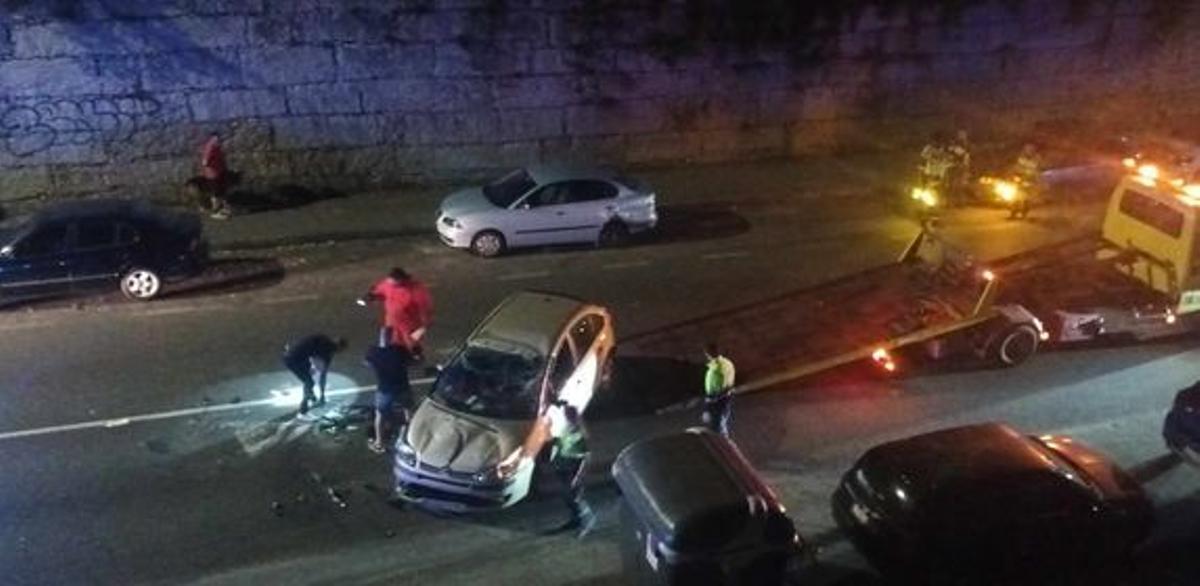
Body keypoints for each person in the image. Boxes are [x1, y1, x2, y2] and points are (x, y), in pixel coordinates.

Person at [543, 400, 595, 539]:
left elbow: (586, 456)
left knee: (576, 497)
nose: (564, 415)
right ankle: (575, 520)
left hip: (574, 466)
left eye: (567, 413)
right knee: (567, 496)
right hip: (563, 465)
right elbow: (556, 446)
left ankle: (588, 521)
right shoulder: (563, 429)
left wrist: (579, 474)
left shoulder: (580, 433)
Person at [358, 267, 434, 360]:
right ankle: (393, 357)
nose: (390, 283)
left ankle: (415, 356)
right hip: (391, 321)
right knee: (389, 340)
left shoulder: (417, 290)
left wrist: (425, 323)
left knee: (411, 342)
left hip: (409, 323)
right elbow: (380, 291)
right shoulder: (388, 284)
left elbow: (425, 307)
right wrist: (372, 296)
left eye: (393, 282)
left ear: (401, 279)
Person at [365, 341, 413, 454]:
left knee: (380, 415)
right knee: (408, 412)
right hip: (402, 387)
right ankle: (406, 439)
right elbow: (413, 362)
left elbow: (367, 363)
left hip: (384, 390)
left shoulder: (373, 351)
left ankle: (379, 443)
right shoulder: (399, 350)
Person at [282, 334, 347, 416]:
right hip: (294, 359)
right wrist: (322, 395)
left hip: (290, 354)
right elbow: (323, 376)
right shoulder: (327, 353)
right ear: (339, 349)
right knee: (309, 382)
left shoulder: (322, 338)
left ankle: (310, 394)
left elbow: (307, 345)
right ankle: (304, 403)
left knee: (309, 372)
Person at [701, 342, 737, 438]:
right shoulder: (727, 363)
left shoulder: (717, 367)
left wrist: (708, 406)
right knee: (720, 423)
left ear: (707, 354)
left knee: (717, 426)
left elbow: (721, 389)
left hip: (717, 399)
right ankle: (723, 442)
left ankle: (723, 445)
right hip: (723, 398)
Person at [200, 132, 231, 220]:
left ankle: (220, 209)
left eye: (218, 138)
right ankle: (215, 212)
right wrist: (212, 163)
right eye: (216, 138)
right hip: (212, 174)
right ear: (211, 138)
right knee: (216, 193)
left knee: (220, 192)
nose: (218, 140)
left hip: (218, 172)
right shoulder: (210, 146)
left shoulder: (217, 147)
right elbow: (205, 162)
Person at [1010, 142, 1042, 219]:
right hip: (1021, 180)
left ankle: (1024, 214)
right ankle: (1013, 213)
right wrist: (1016, 174)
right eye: (1026, 150)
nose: (1028, 151)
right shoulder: (1021, 158)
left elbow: (1038, 169)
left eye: (1030, 150)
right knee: (1016, 197)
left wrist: (1036, 178)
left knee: (1027, 199)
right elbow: (1016, 167)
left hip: (1031, 180)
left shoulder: (1037, 159)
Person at [946, 129, 972, 205]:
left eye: (962, 135)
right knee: (953, 185)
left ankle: (959, 202)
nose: (961, 136)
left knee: (960, 185)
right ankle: (952, 202)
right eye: (960, 135)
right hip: (956, 166)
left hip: (962, 166)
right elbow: (951, 153)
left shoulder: (965, 145)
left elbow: (964, 155)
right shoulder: (956, 145)